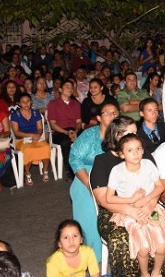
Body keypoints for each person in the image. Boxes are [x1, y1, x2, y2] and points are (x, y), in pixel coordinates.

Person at [91, 116, 165, 276]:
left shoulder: (143, 155)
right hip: (114, 210)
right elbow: (103, 199)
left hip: (149, 204)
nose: (136, 137)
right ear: (116, 136)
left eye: (136, 133)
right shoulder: (102, 161)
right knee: (120, 239)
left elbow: (156, 186)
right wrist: (131, 210)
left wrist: (148, 205)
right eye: (131, 132)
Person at [105, 133, 165, 277]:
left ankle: (156, 272)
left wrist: (146, 200)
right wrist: (131, 199)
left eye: (138, 149)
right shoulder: (117, 171)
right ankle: (144, 274)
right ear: (122, 154)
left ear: (143, 150)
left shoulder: (148, 165)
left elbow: (160, 187)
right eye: (129, 150)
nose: (135, 153)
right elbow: (109, 198)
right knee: (143, 247)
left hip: (152, 208)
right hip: (128, 213)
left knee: (161, 245)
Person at [68, 102, 119, 263]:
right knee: (89, 208)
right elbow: (74, 158)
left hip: (115, 177)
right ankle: (92, 256)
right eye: (107, 113)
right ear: (99, 118)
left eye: (115, 113)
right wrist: (90, 185)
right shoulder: (90, 135)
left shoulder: (122, 135)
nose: (112, 116)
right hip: (86, 176)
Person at [10, 93, 51, 185]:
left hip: (36, 137)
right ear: (19, 104)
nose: (26, 104)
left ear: (31, 102)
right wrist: (31, 135)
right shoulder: (15, 115)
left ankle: (45, 171)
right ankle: (27, 173)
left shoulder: (36, 113)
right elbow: (16, 132)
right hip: (21, 140)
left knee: (46, 147)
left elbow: (40, 128)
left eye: (28, 101)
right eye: (23, 102)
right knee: (28, 150)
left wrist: (37, 136)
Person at [47, 80, 82, 180]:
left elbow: (79, 122)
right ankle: (70, 171)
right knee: (66, 142)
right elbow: (53, 124)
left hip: (74, 130)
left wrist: (75, 131)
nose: (69, 88)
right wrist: (66, 132)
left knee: (86, 137)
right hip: (59, 131)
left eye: (71, 87)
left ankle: (86, 167)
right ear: (60, 89)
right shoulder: (53, 104)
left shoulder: (76, 104)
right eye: (67, 86)